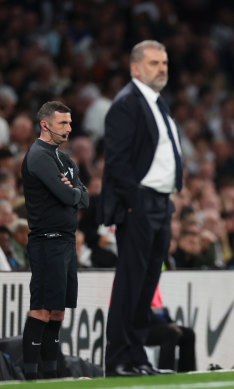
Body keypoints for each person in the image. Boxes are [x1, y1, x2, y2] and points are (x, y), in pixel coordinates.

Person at [98, 40, 183, 377]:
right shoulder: (127, 104)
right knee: (131, 283)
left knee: (147, 284)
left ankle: (138, 358)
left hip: (160, 202)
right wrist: (134, 204)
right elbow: (116, 162)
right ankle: (119, 358)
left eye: (164, 62)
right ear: (135, 68)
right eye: (153, 63)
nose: (161, 68)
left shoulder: (157, 103)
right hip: (140, 203)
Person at [21, 101, 89, 379]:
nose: (69, 128)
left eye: (70, 123)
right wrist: (74, 193)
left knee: (58, 312)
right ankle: (30, 377)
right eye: (63, 123)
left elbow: (84, 196)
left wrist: (73, 191)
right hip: (46, 241)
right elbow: (69, 196)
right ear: (45, 125)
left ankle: (51, 378)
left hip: (65, 243)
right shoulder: (38, 156)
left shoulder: (66, 160)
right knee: (41, 310)